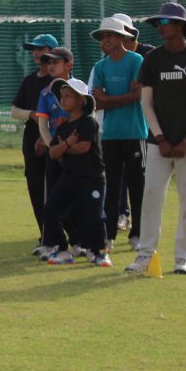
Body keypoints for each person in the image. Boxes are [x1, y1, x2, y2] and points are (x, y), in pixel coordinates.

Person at [126, 3, 186, 276]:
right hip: (159, 144)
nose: (159, 26)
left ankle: (182, 259)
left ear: (180, 26)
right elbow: (146, 103)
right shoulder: (153, 59)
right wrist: (160, 138)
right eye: (157, 23)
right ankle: (145, 255)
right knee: (151, 198)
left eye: (165, 22)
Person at [88, 16, 146, 252]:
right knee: (111, 187)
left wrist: (109, 98)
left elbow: (138, 96)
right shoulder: (100, 67)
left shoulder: (136, 60)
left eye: (109, 35)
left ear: (122, 37)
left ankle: (138, 234)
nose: (105, 40)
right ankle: (108, 234)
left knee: (137, 186)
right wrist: (121, 98)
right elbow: (97, 103)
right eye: (102, 36)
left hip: (135, 132)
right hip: (110, 135)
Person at [42, 78, 111, 267]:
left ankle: (99, 252)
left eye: (68, 96)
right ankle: (62, 250)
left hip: (92, 178)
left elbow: (83, 147)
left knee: (93, 216)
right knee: (50, 211)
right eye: (61, 97)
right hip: (70, 177)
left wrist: (64, 147)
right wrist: (67, 143)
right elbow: (53, 152)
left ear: (81, 100)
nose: (62, 100)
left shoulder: (88, 122)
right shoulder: (63, 127)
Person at [11, 32, 58, 246]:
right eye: (34, 50)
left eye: (41, 49)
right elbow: (14, 111)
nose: (36, 53)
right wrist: (31, 114)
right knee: (36, 189)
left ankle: (63, 237)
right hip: (31, 139)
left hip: (54, 141)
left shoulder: (58, 81)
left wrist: (46, 134)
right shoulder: (30, 80)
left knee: (56, 189)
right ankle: (46, 236)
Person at [32, 46, 75, 260]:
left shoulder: (78, 88)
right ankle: (51, 242)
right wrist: (52, 147)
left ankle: (82, 241)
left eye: (55, 62)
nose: (50, 66)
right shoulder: (46, 93)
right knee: (51, 200)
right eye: (48, 62)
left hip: (76, 153)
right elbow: (43, 125)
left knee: (77, 199)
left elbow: (89, 120)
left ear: (69, 65)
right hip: (55, 153)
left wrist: (71, 147)